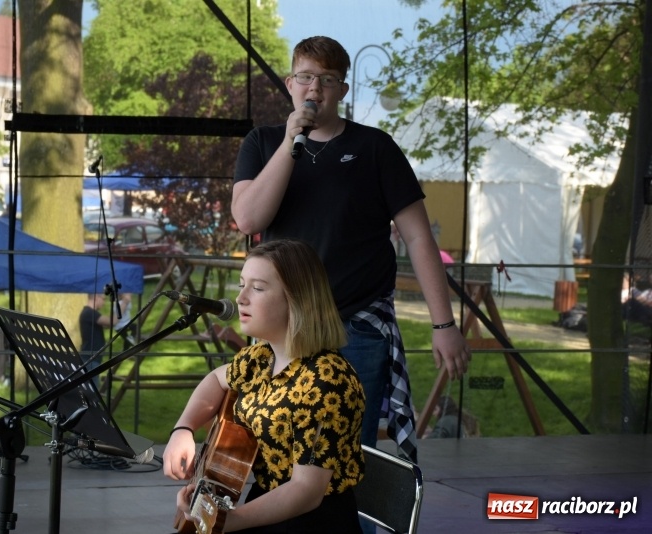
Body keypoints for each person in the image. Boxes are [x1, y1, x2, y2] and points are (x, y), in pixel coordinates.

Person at [231, 35, 471, 460]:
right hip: (283, 328)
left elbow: (418, 237)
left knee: (346, 462)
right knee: (278, 452)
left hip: (356, 326)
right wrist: (291, 144)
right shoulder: (264, 143)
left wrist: (444, 325)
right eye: (305, 77)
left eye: (327, 79)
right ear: (290, 84)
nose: (314, 89)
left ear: (342, 90)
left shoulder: (374, 148)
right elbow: (249, 220)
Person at [163, 239, 365, 533]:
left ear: (297, 299)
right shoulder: (260, 358)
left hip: (311, 522)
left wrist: (229, 521)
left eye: (257, 288)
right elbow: (215, 380)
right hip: (264, 503)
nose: (241, 298)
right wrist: (183, 429)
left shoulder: (327, 381)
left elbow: (306, 492)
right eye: (242, 284)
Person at [79, 292, 119, 378]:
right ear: (96, 297)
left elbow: (107, 324)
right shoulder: (89, 313)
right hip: (89, 359)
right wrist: (125, 302)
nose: (104, 303)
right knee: (93, 389)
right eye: (103, 299)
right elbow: (112, 322)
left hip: (91, 359)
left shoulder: (90, 313)